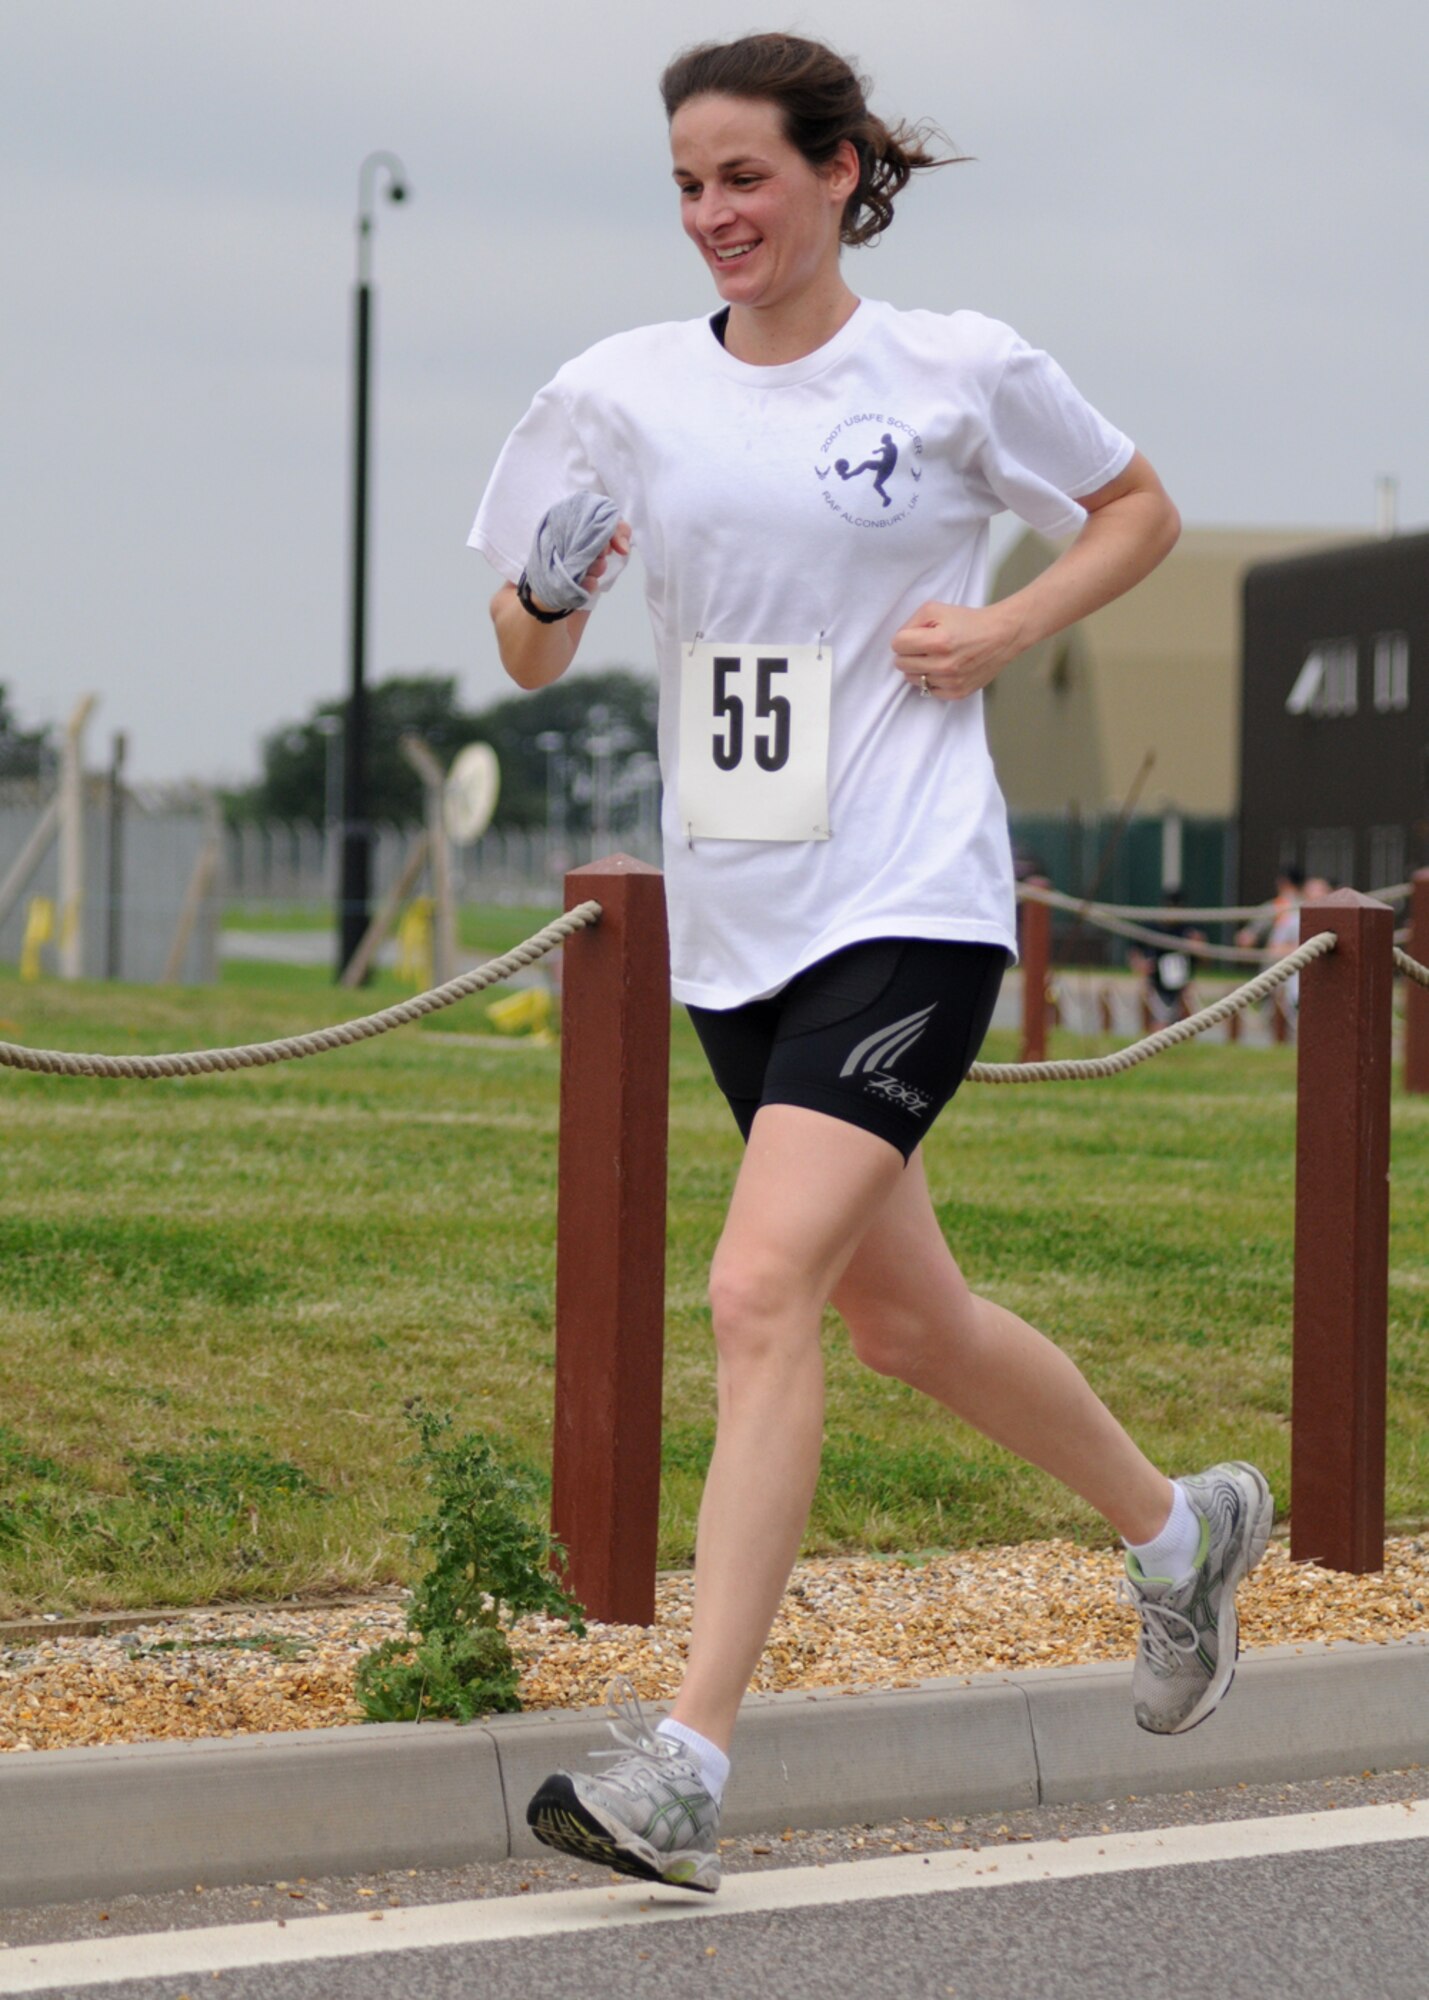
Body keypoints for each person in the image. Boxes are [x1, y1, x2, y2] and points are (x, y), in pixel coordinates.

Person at [470, 32, 1273, 1897]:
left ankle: (684, 1764)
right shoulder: (617, 393)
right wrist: (555, 588)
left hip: (910, 900)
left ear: (842, 173)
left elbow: (1136, 506)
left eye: (744, 176)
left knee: (760, 1291)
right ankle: (1178, 1536)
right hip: (737, 921)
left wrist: (1004, 625)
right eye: (684, 184)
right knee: (900, 1322)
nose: (712, 216)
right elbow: (519, 648)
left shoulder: (952, 367)